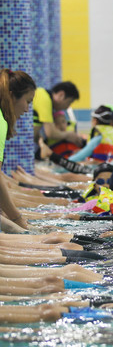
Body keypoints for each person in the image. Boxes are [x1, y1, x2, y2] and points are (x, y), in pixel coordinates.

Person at [0, 69, 36, 230]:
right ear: (12, 96)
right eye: (28, 101)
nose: (27, 109)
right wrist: (17, 220)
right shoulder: (0, 122)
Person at [33, 81, 83, 147]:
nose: (67, 107)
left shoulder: (43, 96)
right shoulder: (45, 99)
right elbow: (51, 133)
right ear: (61, 95)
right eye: (69, 102)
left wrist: (42, 145)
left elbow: (34, 131)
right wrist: (68, 135)